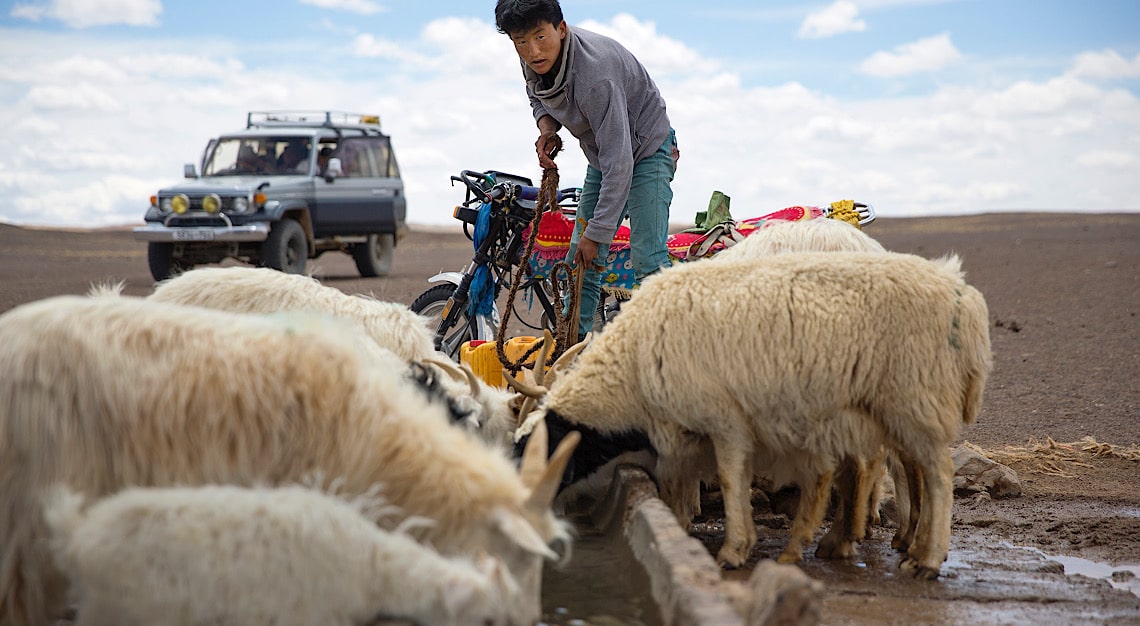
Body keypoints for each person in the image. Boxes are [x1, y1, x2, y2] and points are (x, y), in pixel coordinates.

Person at [495, 0, 679, 341]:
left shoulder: (597, 78)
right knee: (581, 262)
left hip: (647, 149)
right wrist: (547, 128)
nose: (533, 50)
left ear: (561, 29)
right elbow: (536, 96)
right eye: (521, 41)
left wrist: (598, 233)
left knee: (648, 260)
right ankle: (570, 355)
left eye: (540, 37)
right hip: (604, 155)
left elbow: (621, 163)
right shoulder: (533, 62)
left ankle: (674, 353)